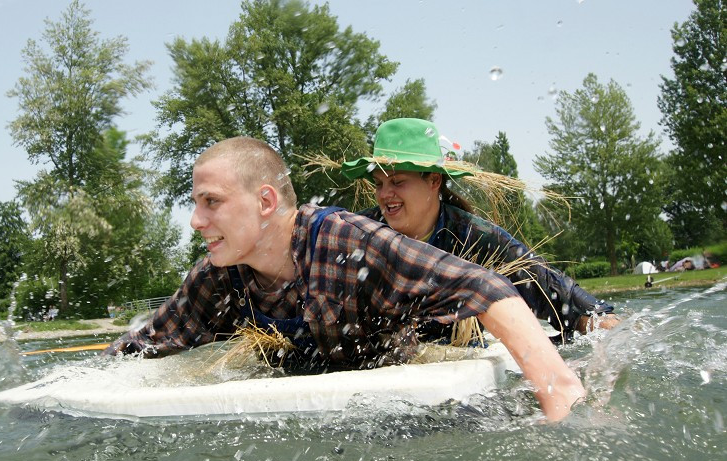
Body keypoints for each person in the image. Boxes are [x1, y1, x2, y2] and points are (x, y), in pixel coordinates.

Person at [104, 136, 586, 421]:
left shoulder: (346, 242)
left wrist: (557, 387)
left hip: (409, 410)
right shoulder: (216, 276)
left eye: (211, 202)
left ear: (266, 202)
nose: (195, 221)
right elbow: (144, 344)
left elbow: (482, 286)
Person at [340, 118, 619, 343]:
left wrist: (599, 323)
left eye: (397, 182)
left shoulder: (478, 239)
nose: (385, 195)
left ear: (434, 181)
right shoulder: (357, 234)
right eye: (378, 184)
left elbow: (552, 291)